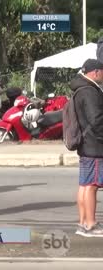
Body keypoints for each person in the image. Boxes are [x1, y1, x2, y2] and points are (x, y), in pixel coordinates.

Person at [70, 58, 103, 237]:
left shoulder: (80, 89)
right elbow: (97, 120)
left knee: (84, 185)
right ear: (96, 72)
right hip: (94, 145)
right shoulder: (90, 91)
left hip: (85, 144)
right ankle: (91, 224)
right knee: (92, 186)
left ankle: (83, 223)